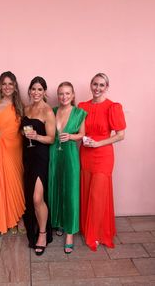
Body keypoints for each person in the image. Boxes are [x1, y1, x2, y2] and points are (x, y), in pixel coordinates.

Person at [78, 73, 126, 251]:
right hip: (86, 153)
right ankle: (88, 228)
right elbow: (79, 130)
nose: (97, 88)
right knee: (87, 189)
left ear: (106, 87)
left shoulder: (113, 107)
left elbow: (120, 135)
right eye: (95, 84)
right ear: (90, 85)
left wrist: (98, 143)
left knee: (98, 193)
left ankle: (97, 233)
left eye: (101, 85)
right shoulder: (83, 106)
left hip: (103, 154)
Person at [48, 82, 87, 254]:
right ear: (58, 95)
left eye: (67, 93)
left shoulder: (79, 113)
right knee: (55, 189)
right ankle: (59, 222)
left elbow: (82, 135)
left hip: (70, 154)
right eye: (61, 94)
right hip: (54, 154)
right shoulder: (53, 111)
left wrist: (71, 136)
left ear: (73, 95)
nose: (64, 97)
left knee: (70, 192)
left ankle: (70, 232)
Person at [22, 76, 55, 256]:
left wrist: (36, 137)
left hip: (41, 157)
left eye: (39, 89)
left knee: (37, 198)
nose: (36, 92)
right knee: (29, 197)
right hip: (26, 155)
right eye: (33, 89)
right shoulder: (26, 108)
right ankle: (34, 228)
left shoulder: (48, 111)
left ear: (44, 92)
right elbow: (22, 131)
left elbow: (51, 138)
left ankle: (42, 234)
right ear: (29, 91)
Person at [0, 71, 25, 234]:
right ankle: (9, 220)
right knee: (4, 183)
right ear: (0, 86)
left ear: (15, 86)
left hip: (17, 148)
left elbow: (25, 129)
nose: (7, 87)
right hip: (1, 147)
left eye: (11, 84)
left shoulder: (20, 106)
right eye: (4, 84)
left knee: (17, 182)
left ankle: (19, 217)